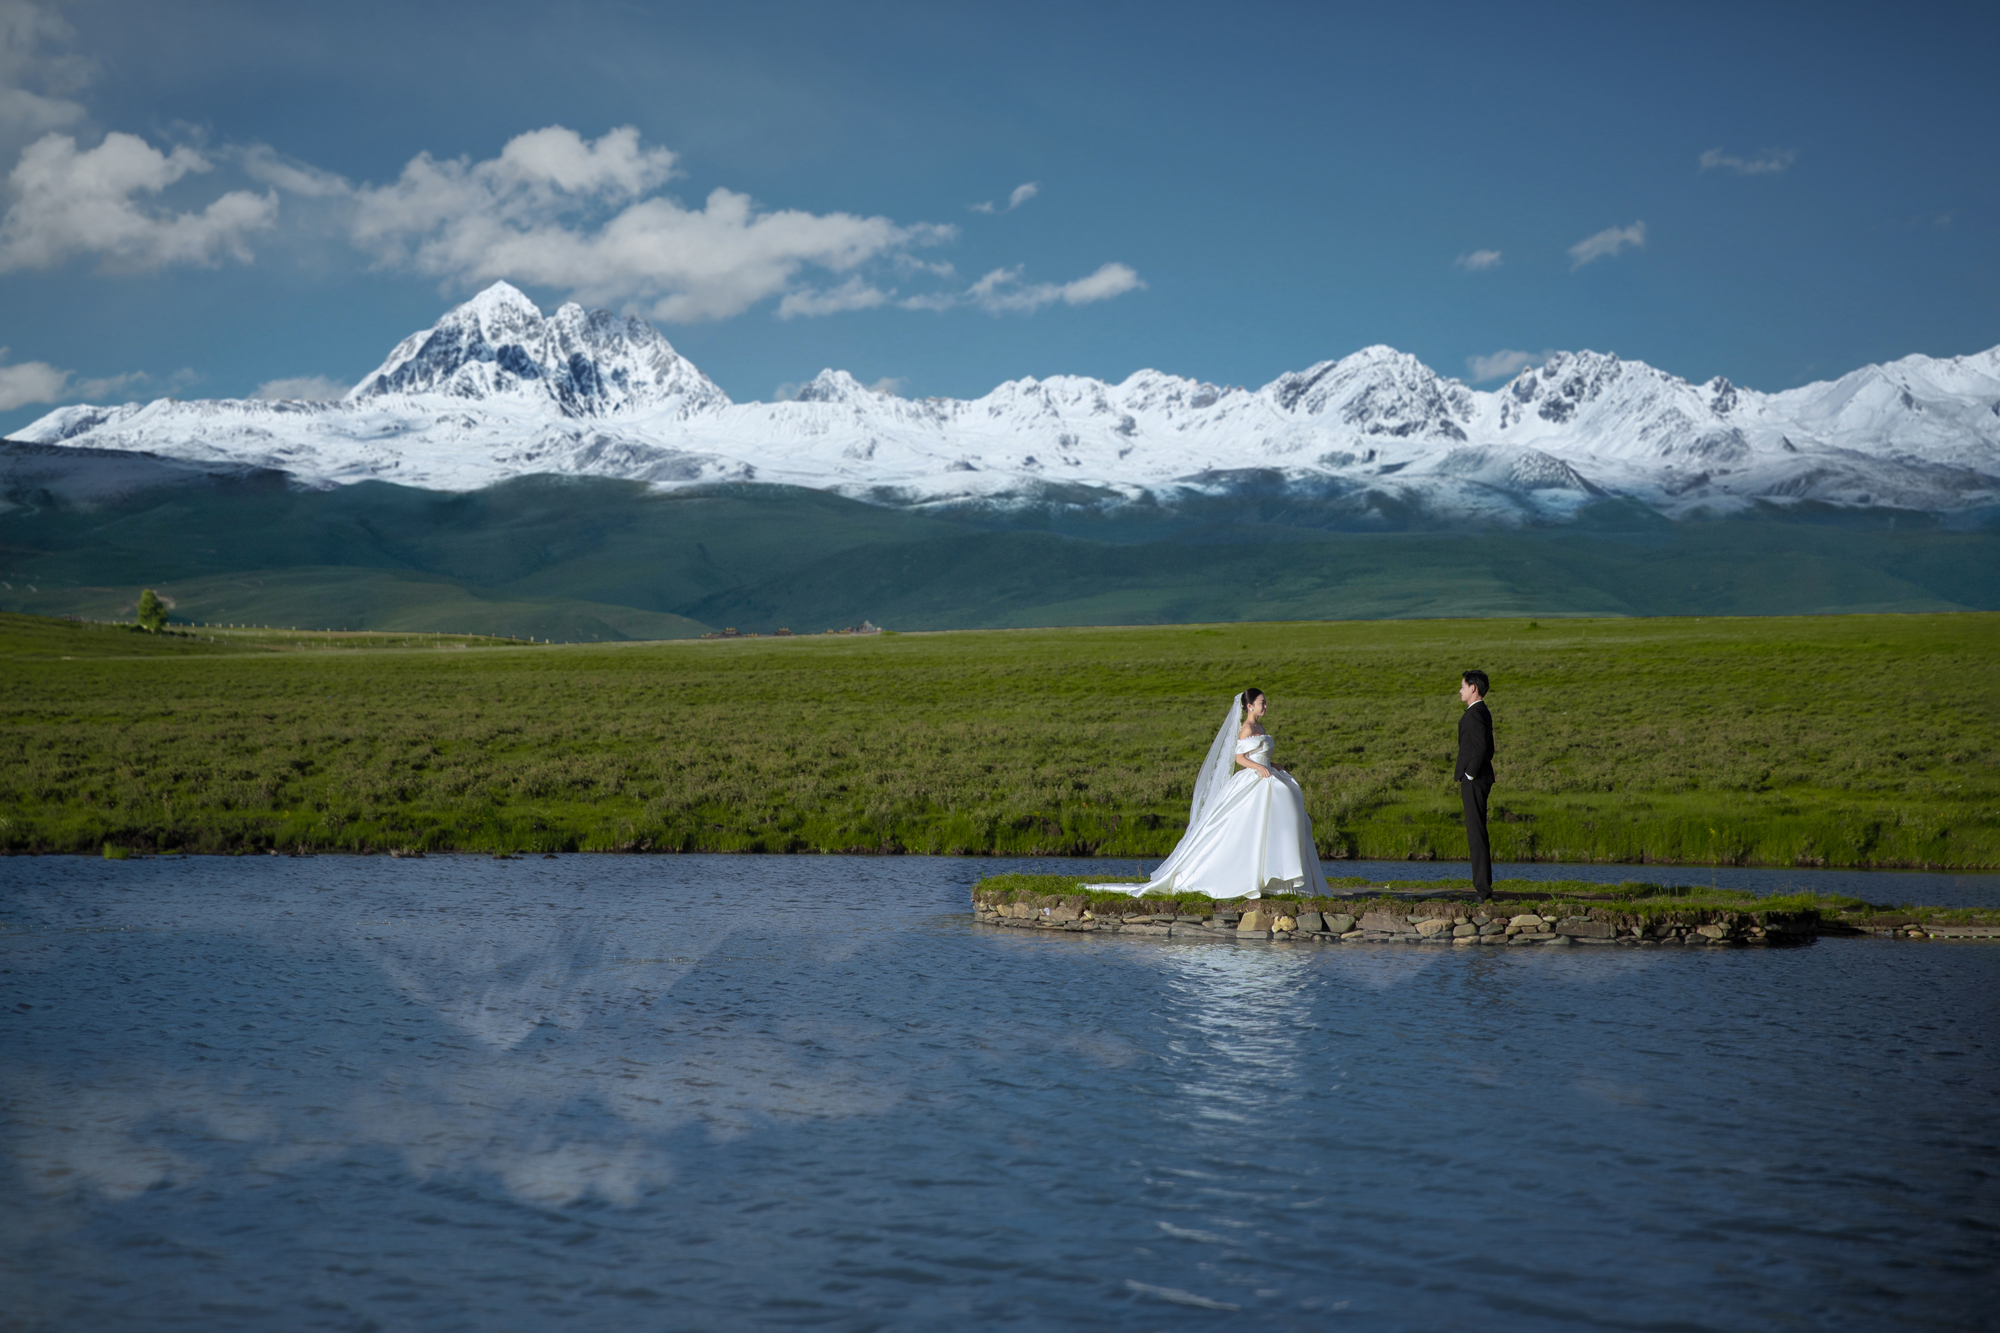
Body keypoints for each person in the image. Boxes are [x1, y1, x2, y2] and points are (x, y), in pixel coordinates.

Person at [1089, 688, 1329, 899]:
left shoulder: (1260, 727)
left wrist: (1274, 766)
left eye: (1265, 702)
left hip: (1266, 775)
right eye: (1261, 702)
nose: (1265, 706)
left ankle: (1278, 878)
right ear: (1249, 706)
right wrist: (1259, 768)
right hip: (1255, 778)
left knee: (1281, 818)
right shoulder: (1246, 728)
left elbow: (1261, 754)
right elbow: (1240, 758)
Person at [1457, 670, 1496, 901]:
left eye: (1463, 686)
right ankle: (1483, 887)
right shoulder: (1482, 711)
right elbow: (1488, 748)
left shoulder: (1474, 713)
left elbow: (1482, 748)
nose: (1460, 690)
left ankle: (1482, 889)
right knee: (1477, 832)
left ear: (1473, 688)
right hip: (1479, 777)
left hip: (1475, 779)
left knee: (1476, 833)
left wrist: (1469, 773)